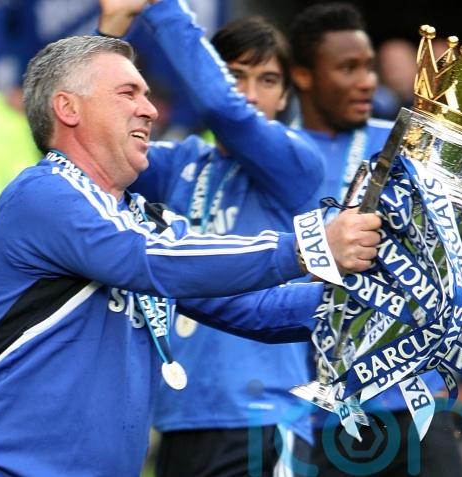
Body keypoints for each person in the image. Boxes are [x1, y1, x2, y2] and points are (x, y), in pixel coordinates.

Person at [0, 34, 381, 477]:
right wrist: (308, 247)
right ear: (68, 108)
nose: (150, 109)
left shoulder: (146, 220)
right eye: (128, 93)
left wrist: (374, 298)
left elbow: (256, 310)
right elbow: (149, 259)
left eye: (146, 94)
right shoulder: (45, 193)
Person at [97, 0, 326, 475]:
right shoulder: (179, 163)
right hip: (179, 416)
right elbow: (90, 150)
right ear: (208, 76)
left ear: (285, 95)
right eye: (234, 75)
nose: (250, 93)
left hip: (267, 420)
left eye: (268, 80)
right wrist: (109, 35)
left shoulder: (297, 164)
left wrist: (161, 7)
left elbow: (226, 112)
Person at [288, 3, 462, 476]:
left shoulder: (408, 146)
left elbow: (455, 254)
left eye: (369, 67)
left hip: (412, 397)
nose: (367, 81)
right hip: (318, 407)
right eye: (348, 68)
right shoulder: (275, 154)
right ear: (303, 76)